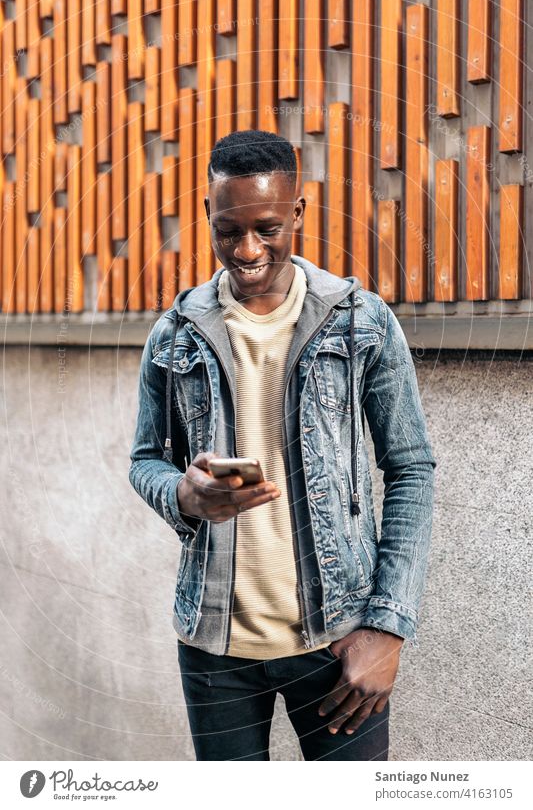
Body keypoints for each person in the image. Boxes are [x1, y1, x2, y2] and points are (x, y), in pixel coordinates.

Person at [129, 129, 437, 761]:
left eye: (267, 228)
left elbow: (411, 469)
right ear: (209, 217)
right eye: (227, 230)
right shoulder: (175, 332)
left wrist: (387, 625)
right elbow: (145, 461)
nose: (246, 250)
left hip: (337, 641)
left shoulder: (360, 321)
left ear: (298, 211)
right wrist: (182, 495)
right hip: (214, 646)